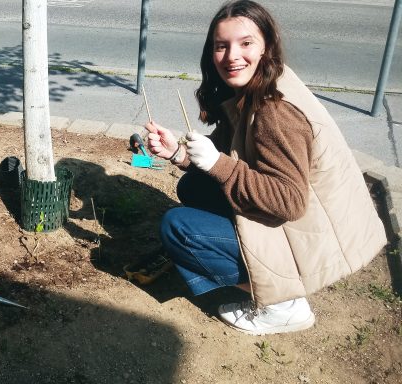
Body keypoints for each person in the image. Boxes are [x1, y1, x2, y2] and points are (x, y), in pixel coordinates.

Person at [145, 0, 386, 335]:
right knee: (193, 186)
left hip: (315, 237)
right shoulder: (257, 86)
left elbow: (289, 202)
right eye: (221, 46)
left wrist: (216, 163)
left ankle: (283, 304)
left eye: (245, 43)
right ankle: (270, 277)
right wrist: (178, 154)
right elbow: (232, 148)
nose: (232, 56)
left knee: (178, 228)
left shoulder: (275, 112)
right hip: (312, 225)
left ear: (266, 46)